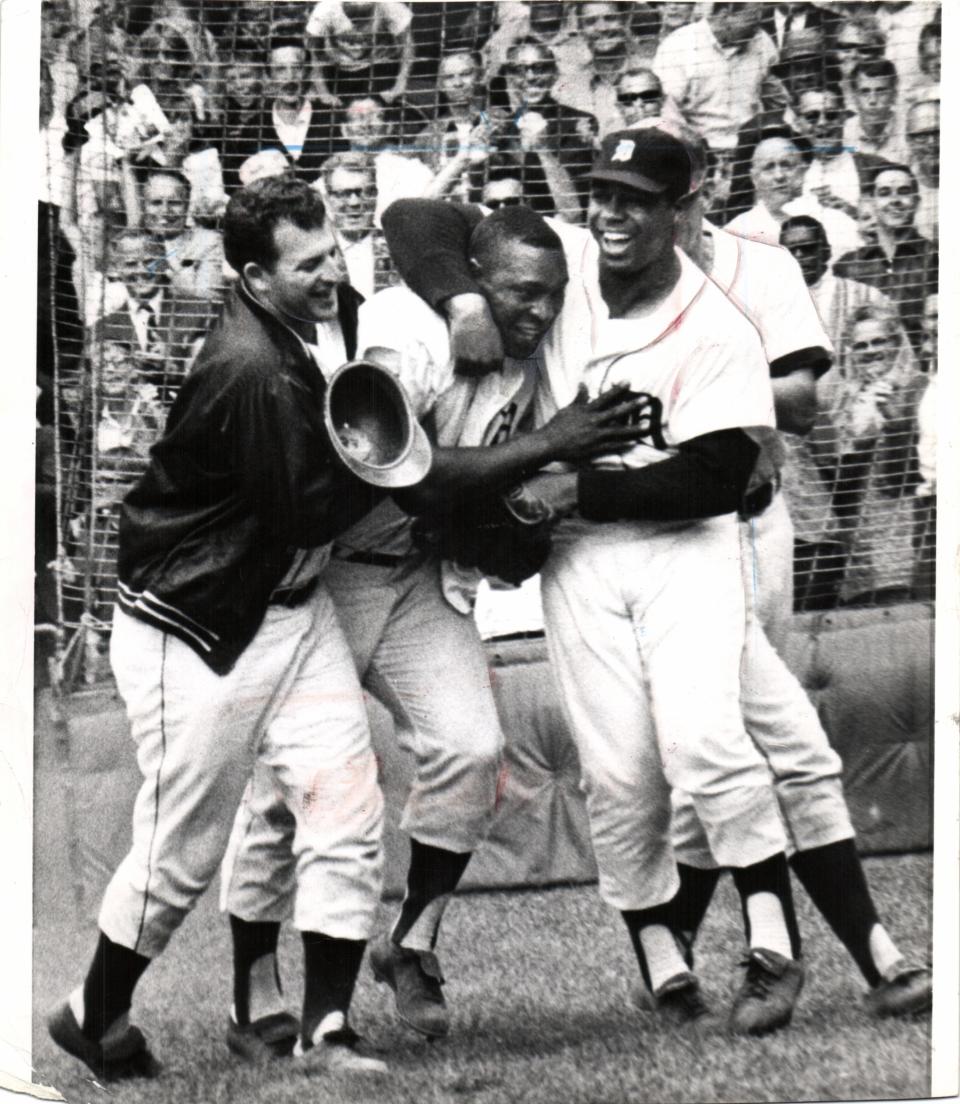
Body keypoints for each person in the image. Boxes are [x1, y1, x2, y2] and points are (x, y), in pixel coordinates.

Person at [383, 129, 808, 1037]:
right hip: (576, 558)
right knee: (618, 774)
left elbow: (721, 476)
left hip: (685, 549)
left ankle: (773, 944)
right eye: (603, 194)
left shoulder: (718, 322)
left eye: (638, 200)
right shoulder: (565, 262)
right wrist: (461, 297)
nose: (612, 215)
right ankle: (664, 962)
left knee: (704, 744)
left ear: (685, 210)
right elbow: (414, 214)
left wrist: (580, 481)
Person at [219, 205, 648, 1050]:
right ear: (474, 281)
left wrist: (522, 513)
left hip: (416, 578)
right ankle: (252, 990)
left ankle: (412, 940)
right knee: (287, 792)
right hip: (327, 576)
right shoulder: (405, 329)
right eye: (521, 293)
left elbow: (480, 501)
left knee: (473, 747)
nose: (541, 311)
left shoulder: (533, 357)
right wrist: (547, 439)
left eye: (554, 295)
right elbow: (403, 474)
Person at [46, 175, 426, 1082]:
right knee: (181, 848)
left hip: (292, 611)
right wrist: (400, 462)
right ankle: (90, 1013)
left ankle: (327, 1029)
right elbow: (301, 510)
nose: (331, 271)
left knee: (345, 800)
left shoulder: (321, 316)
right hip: (200, 624)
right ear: (255, 279)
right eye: (308, 264)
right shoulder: (247, 363)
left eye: (333, 249)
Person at [833, 163, 938, 355]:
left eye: (903, 192)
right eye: (884, 193)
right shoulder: (847, 267)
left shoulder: (936, 257)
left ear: (917, 202)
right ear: (871, 203)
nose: (895, 200)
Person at [653, 3, 777, 154]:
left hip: (754, 146)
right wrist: (692, 148)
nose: (756, 32)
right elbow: (668, 110)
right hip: (699, 150)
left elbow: (775, 97)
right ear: (725, 15)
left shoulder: (762, 42)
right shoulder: (678, 46)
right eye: (752, 22)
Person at [500, 38, 597, 219]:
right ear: (510, 77)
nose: (530, 77)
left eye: (540, 68)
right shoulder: (503, 129)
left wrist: (543, 149)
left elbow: (577, 196)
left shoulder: (578, 122)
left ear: (554, 73)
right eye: (520, 70)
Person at [725, 134, 861, 257]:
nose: (779, 176)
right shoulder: (737, 232)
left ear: (803, 171)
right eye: (769, 167)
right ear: (754, 178)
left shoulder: (837, 222)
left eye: (786, 165)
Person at [793, 85, 887, 220]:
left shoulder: (875, 167)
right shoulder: (787, 173)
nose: (822, 122)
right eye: (812, 116)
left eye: (831, 115)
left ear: (843, 117)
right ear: (798, 123)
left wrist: (851, 212)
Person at [551, 1, 641, 137]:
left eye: (610, 19)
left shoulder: (653, 72)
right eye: (591, 22)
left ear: (625, 20)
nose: (602, 28)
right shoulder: (566, 89)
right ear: (581, 29)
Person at [134, 168, 226, 299]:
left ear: (187, 205)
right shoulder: (131, 243)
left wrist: (186, 289)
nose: (165, 210)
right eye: (156, 202)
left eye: (174, 203)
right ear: (144, 206)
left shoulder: (208, 242)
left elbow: (211, 300)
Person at [306, 0, 415, 107]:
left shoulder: (389, 5)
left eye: (364, 16)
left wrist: (400, 83)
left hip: (380, 65)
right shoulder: (325, 8)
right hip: (339, 68)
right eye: (352, 16)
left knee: (375, 108)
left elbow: (407, 45)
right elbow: (312, 51)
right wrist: (323, 92)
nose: (357, 26)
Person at [318, 152, 396, 299]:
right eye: (343, 194)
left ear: (375, 195)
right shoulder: (317, 251)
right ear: (328, 199)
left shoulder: (396, 246)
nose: (354, 203)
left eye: (363, 193)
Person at [843, 60, 910, 165]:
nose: (873, 100)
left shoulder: (909, 130)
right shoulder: (843, 134)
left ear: (894, 95)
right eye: (865, 92)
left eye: (881, 91)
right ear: (854, 97)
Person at [905, 99, 939, 244]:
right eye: (922, 136)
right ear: (909, 140)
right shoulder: (899, 186)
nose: (932, 143)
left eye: (938, 133)